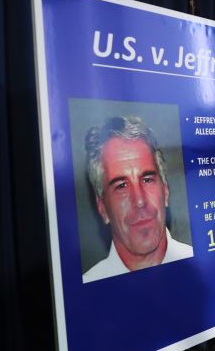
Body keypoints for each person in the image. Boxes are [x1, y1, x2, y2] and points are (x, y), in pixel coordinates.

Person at [82, 116, 193, 283]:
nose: (140, 201)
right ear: (102, 208)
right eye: (121, 186)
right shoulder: (88, 289)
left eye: (147, 180)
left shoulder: (205, 267)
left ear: (165, 191)